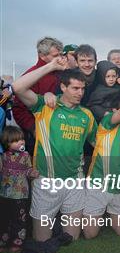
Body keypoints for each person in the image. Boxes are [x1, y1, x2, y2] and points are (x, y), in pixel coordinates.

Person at [12, 57, 97, 242]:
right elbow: (18, 88)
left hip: (74, 182)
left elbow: (98, 143)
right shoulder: (45, 105)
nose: (80, 93)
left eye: (83, 89)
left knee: (71, 239)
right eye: (75, 88)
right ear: (63, 87)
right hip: (46, 182)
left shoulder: (87, 115)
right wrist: (51, 66)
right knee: (41, 240)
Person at [83, 91, 120, 239]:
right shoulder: (107, 122)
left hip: (119, 188)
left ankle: (105, 214)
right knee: (90, 234)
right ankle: (93, 214)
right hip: (98, 185)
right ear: (115, 111)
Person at [12, 37, 63, 155]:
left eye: (61, 54)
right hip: (39, 137)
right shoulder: (30, 77)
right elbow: (18, 109)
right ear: (42, 55)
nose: (59, 58)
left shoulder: (62, 73)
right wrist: (35, 129)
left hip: (61, 133)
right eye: (55, 56)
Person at [0, 126, 39, 252]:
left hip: (20, 194)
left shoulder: (25, 155)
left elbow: (28, 169)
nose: (21, 142)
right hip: (5, 193)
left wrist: (31, 173)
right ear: (7, 143)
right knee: (5, 218)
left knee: (20, 218)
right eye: (16, 140)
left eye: (22, 139)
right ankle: (3, 240)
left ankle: (17, 241)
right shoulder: (4, 156)